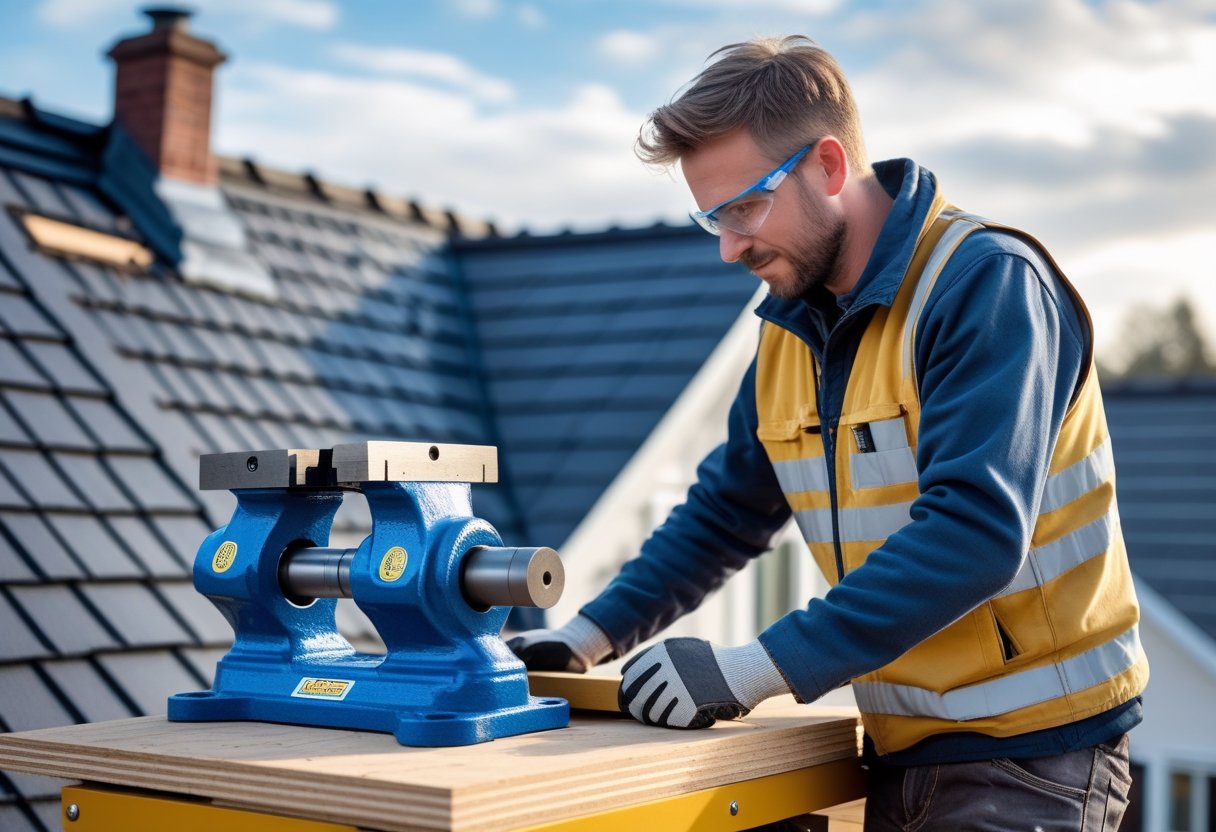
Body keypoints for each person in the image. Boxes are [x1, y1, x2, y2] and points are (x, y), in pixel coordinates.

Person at [508, 35, 1145, 831]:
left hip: (1038, 760)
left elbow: (976, 534)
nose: (727, 246)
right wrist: (581, 638)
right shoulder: (790, 331)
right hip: (898, 752)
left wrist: (749, 668)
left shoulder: (984, 287)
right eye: (711, 215)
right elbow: (723, 513)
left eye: (743, 207)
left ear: (830, 166)